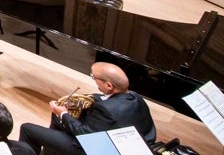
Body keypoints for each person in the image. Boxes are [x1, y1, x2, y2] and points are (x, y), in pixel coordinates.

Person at [19, 63, 157, 155]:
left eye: (94, 77)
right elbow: (104, 99)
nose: (93, 79)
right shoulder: (136, 98)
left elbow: (84, 133)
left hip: (97, 150)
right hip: (133, 144)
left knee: (28, 128)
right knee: (57, 118)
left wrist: (64, 114)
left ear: (109, 86)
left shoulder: (105, 109)